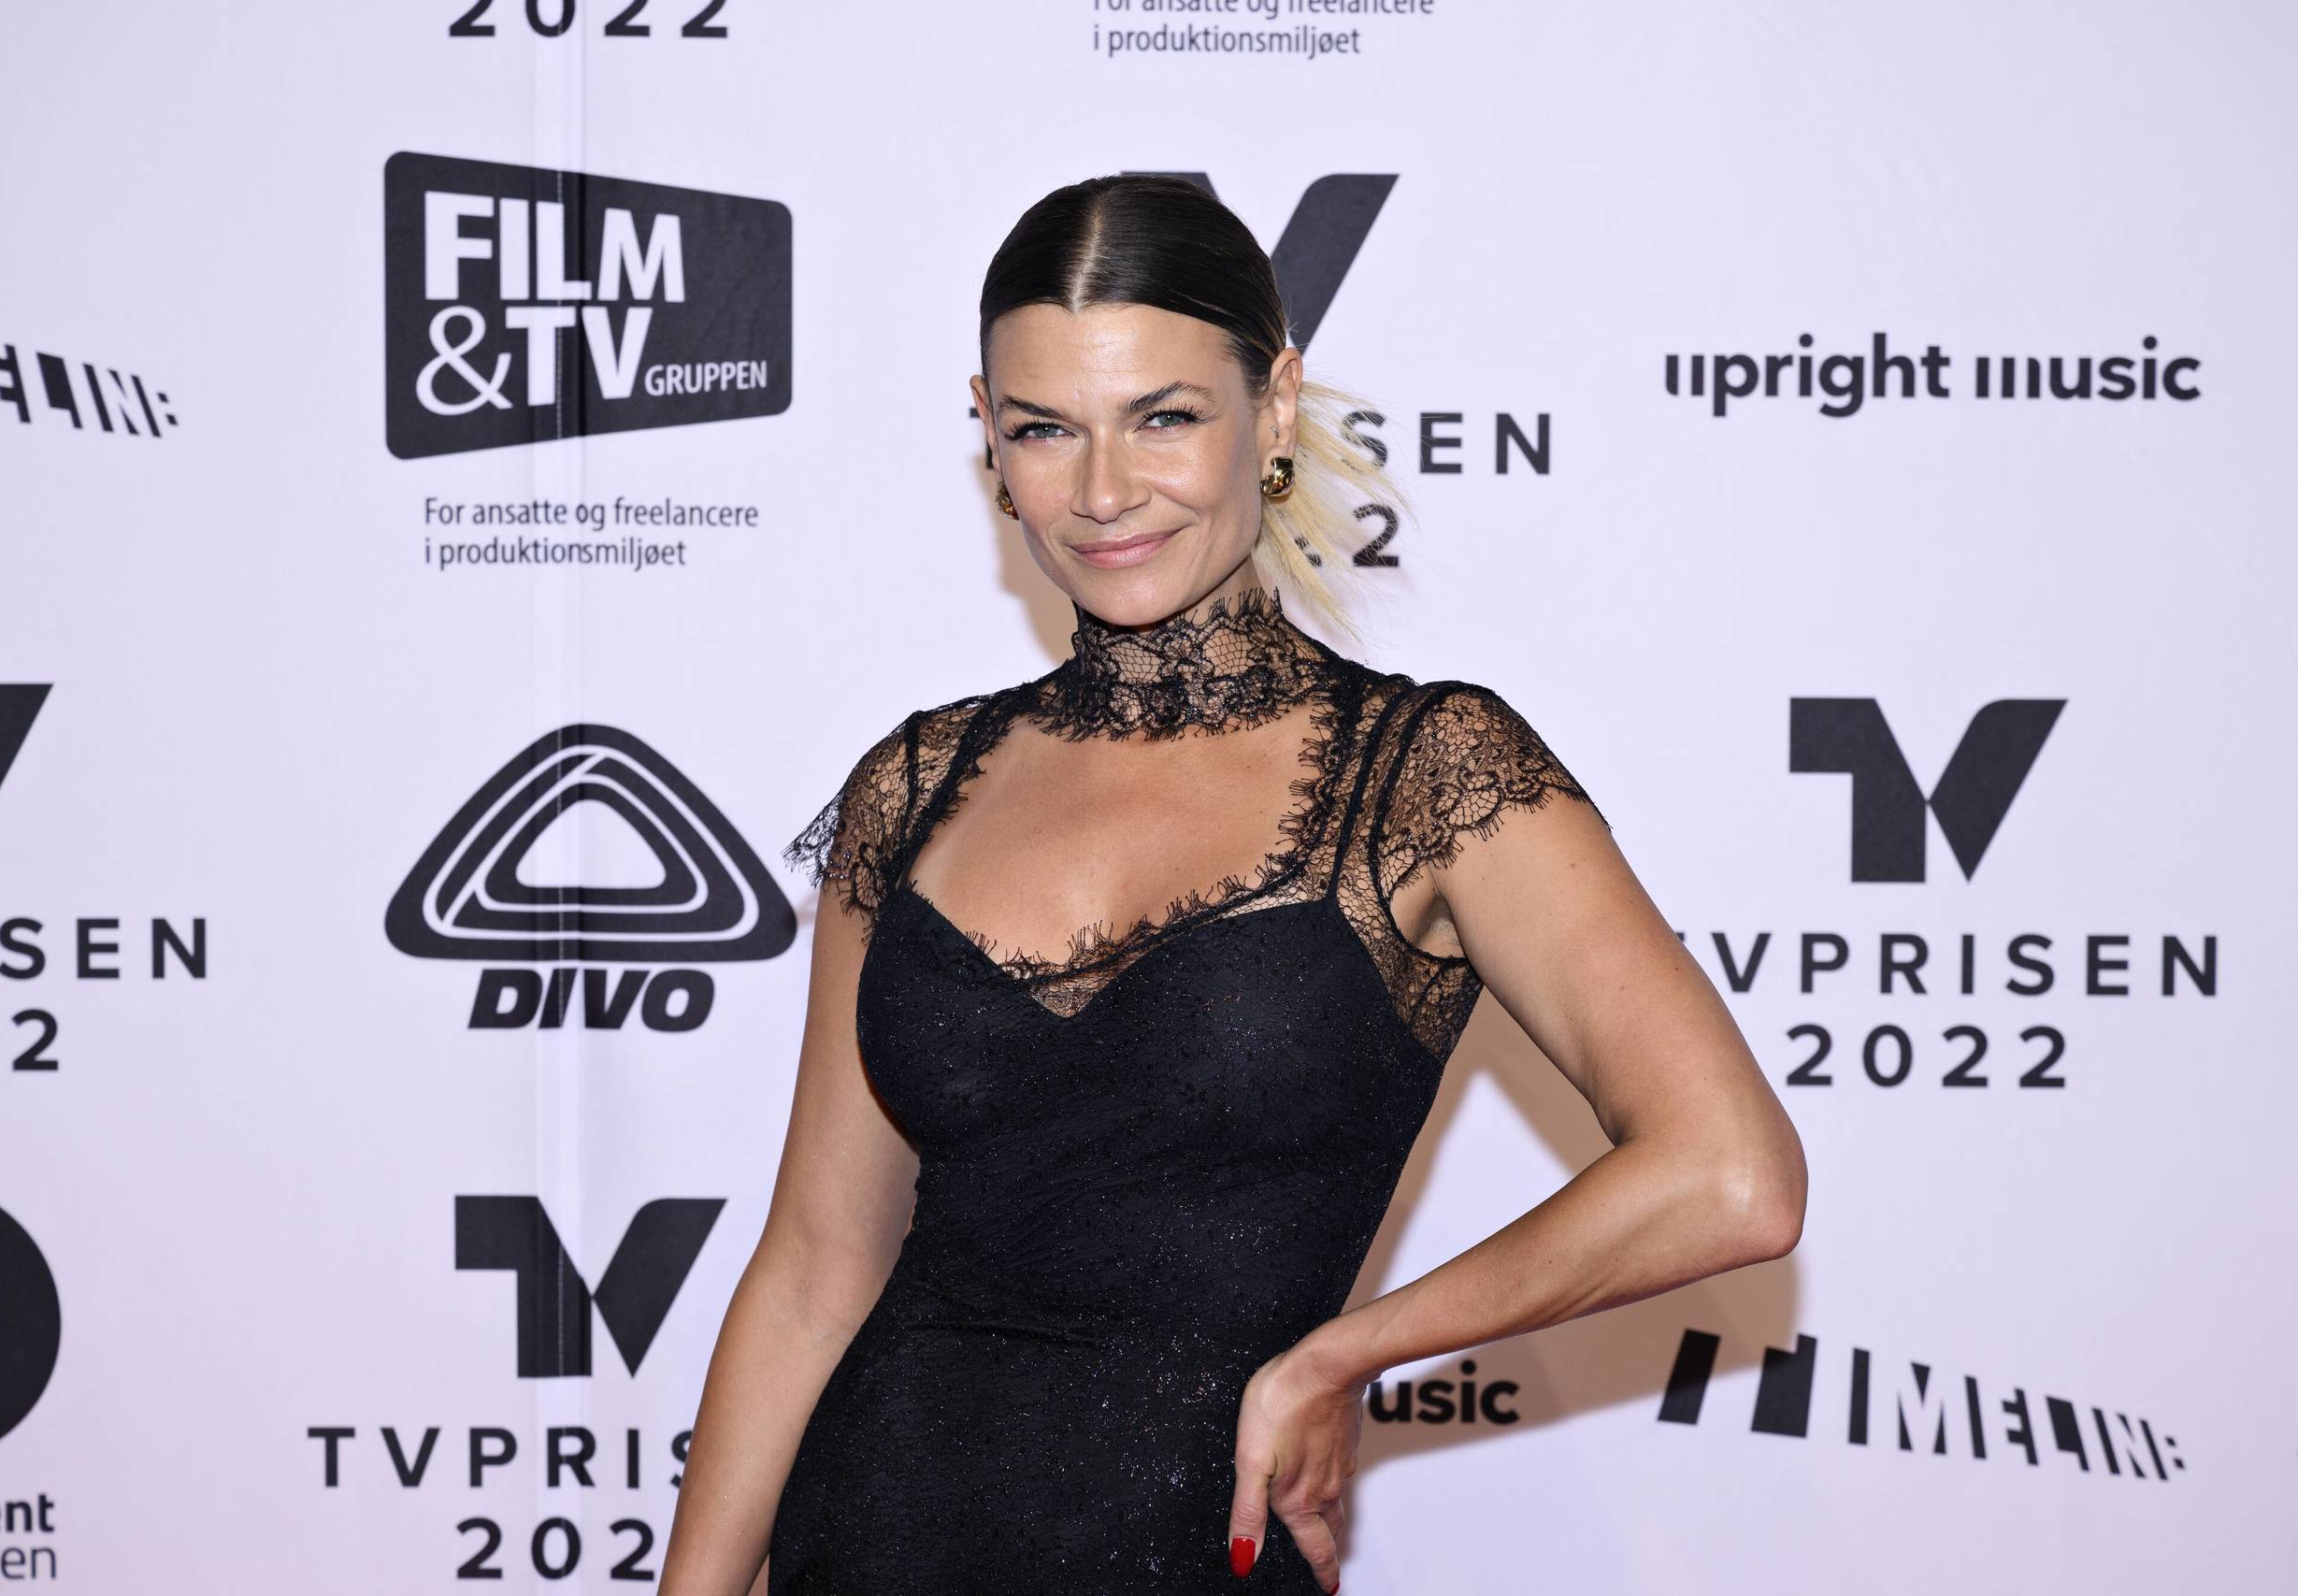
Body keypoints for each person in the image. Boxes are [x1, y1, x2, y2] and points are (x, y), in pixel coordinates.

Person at [656, 174, 1806, 1596]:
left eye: (1164, 417)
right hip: (871, 1537)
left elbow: (1730, 1176)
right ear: (989, 436)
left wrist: (1344, 1354)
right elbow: (815, 1269)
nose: (1102, 492)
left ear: (1274, 408)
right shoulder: (918, 784)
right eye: (1044, 429)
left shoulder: (1424, 775)